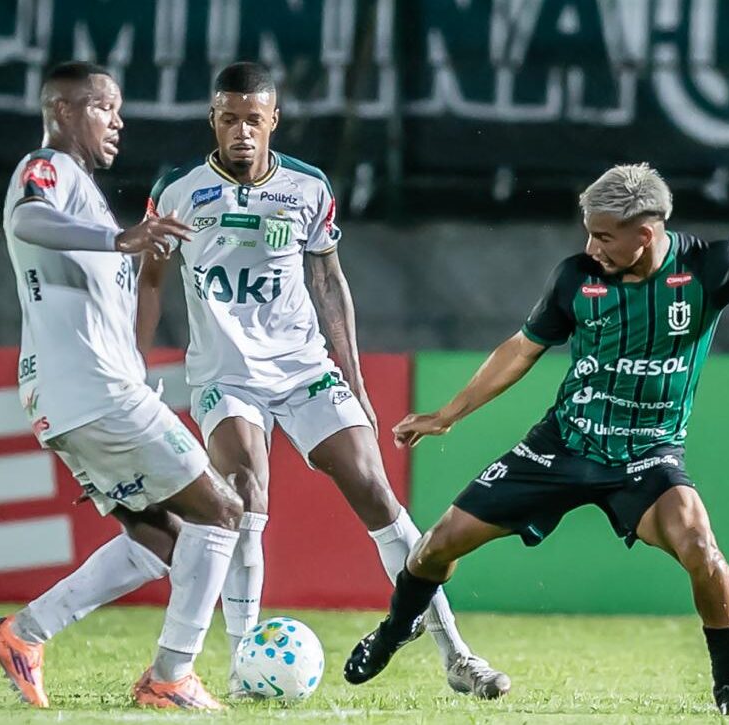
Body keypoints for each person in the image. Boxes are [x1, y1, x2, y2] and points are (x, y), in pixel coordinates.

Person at [343, 164, 729, 715]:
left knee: (703, 552)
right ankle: (396, 630)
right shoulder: (576, 278)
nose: (591, 247)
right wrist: (448, 414)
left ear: (647, 231)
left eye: (603, 236)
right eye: (589, 233)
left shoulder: (715, 265)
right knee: (435, 548)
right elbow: (522, 349)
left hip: (649, 457)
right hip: (563, 445)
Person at [136, 61, 509, 699]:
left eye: (254, 119)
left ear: (273, 120)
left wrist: (355, 382)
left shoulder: (307, 187)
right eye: (230, 118)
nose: (242, 131)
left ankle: (457, 655)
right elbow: (149, 280)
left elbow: (329, 281)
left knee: (376, 492)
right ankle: (245, 667)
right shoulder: (177, 190)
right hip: (227, 375)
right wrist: (134, 367)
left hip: (304, 368)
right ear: (213, 120)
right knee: (245, 496)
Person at [0, 61, 245, 711]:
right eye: (104, 106)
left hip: (76, 394)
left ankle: (23, 633)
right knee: (223, 511)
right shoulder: (48, 168)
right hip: (92, 391)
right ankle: (170, 677)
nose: (118, 121)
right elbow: (27, 220)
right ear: (64, 110)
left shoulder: (85, 194)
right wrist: (118, 237)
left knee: (164, 539)